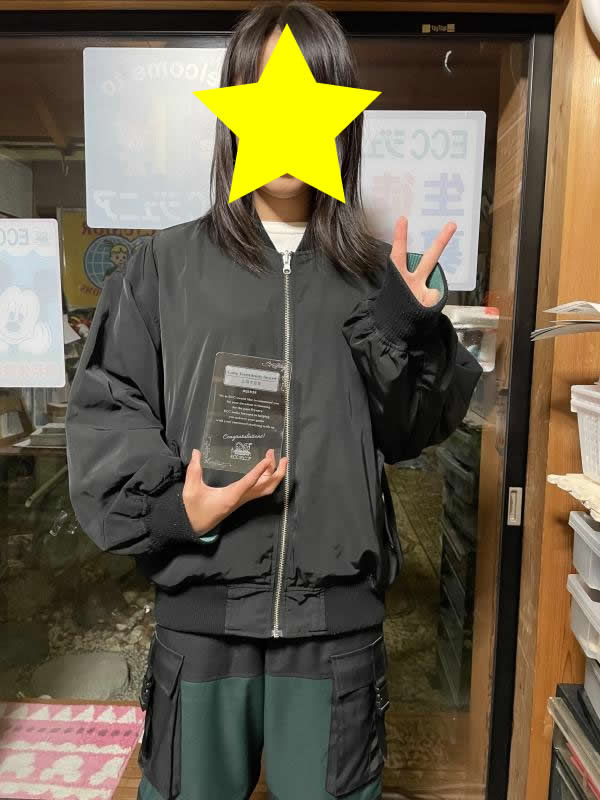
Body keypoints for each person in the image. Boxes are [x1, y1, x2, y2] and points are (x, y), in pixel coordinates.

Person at [65, 3, 483, 799]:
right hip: (202, 612)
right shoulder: (162, 269)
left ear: (341, 120)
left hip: (335, 628)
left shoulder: (378, 276)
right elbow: (107, 406)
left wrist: (409, 328)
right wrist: (175, 507)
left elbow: (411, 431)